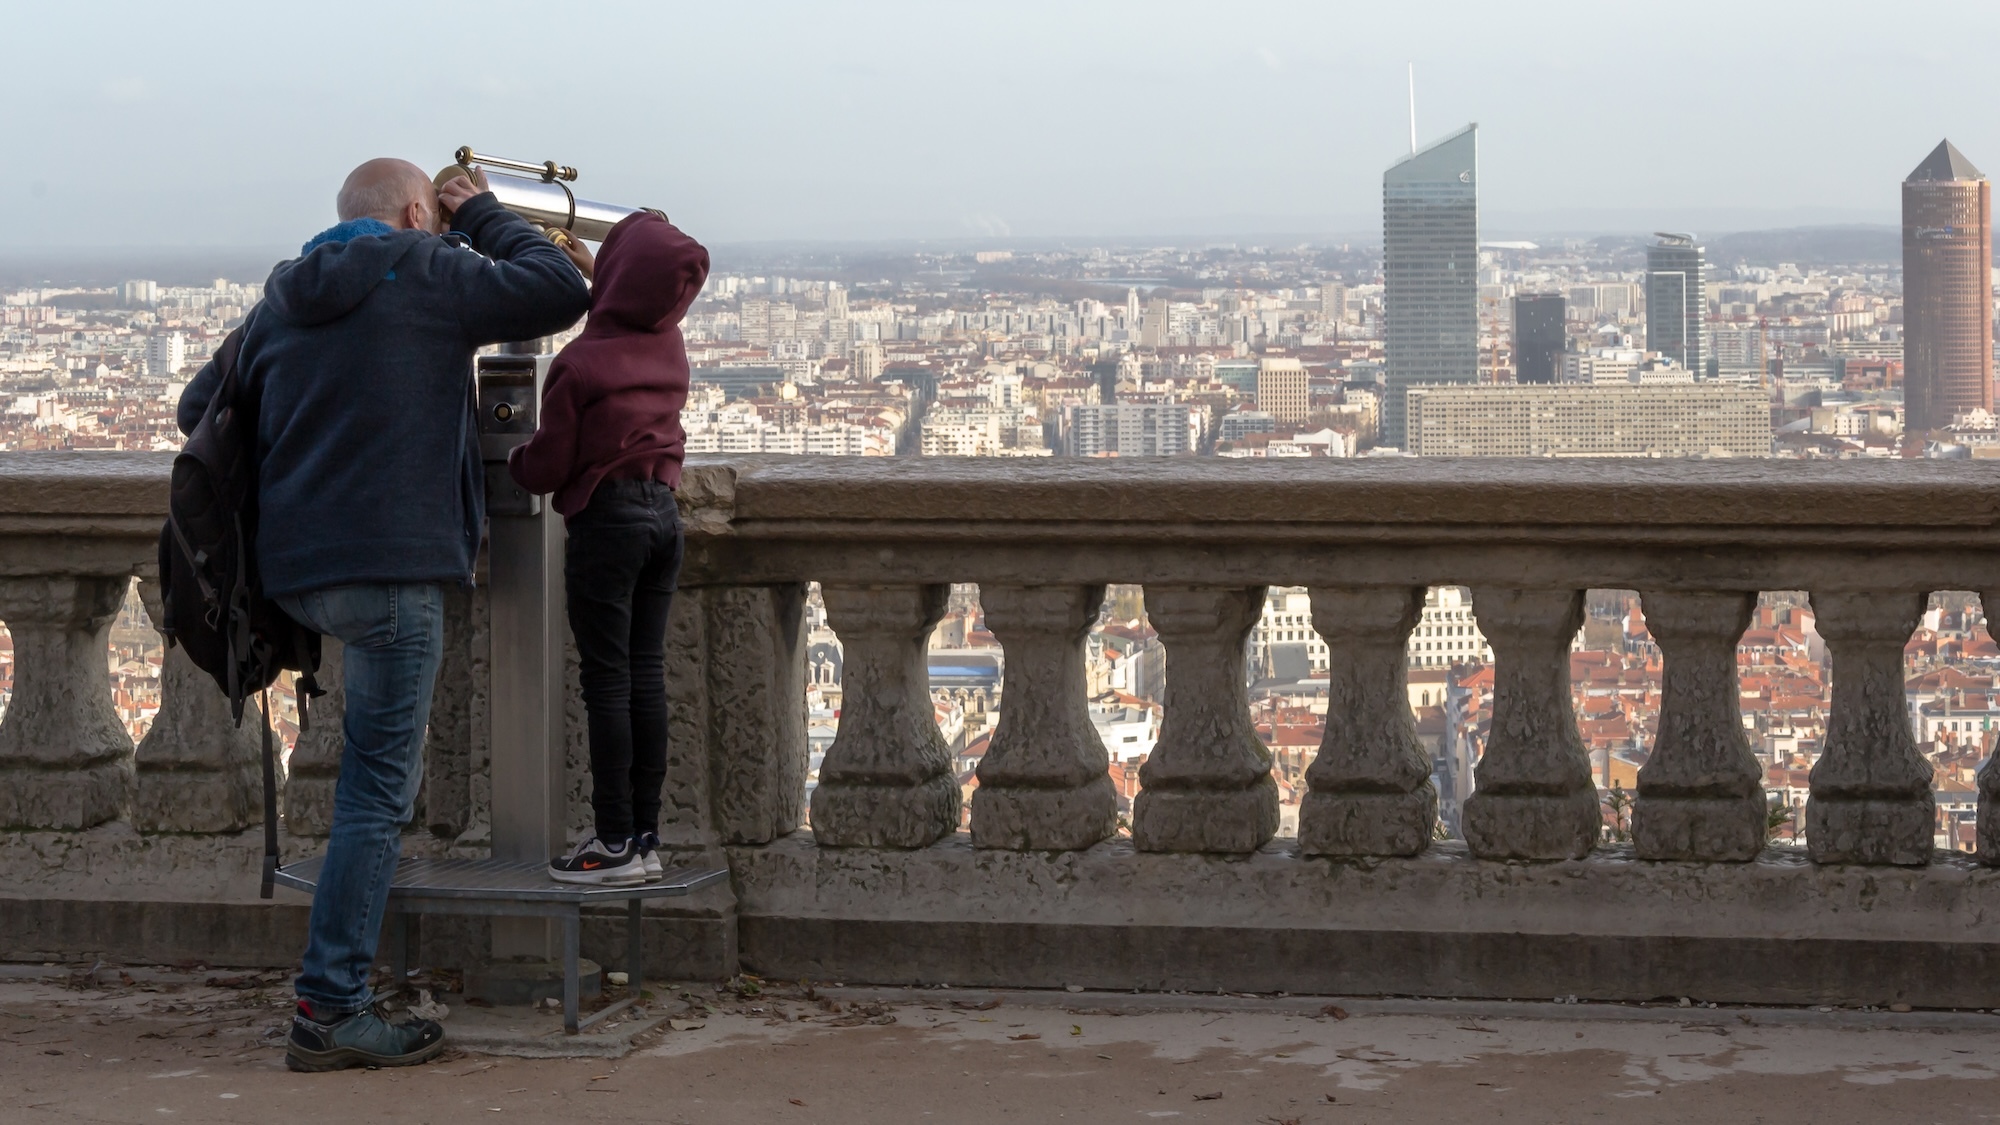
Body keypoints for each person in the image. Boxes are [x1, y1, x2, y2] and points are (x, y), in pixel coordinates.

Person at [177, 157, 591, 1072]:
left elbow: (196, 408)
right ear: (415, 212)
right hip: (397, 571)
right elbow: (562, 287)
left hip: (301, 576)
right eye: (435, 218)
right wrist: (481, 213)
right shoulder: (429, 269)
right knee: (373, 796)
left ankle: (337, 992)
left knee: (363, 786)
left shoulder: (282, 297)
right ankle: (330, 1005)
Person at [507, 211, 709, 886]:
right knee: (645, 676)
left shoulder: (580, 363)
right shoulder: (670, 344)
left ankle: (612, 839)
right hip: (663, 518)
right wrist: (604, 271)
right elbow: (637, 304)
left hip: (608, 524)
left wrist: (512, 460)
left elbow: (546, 467)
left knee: (608, 682)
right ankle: (645, 836)